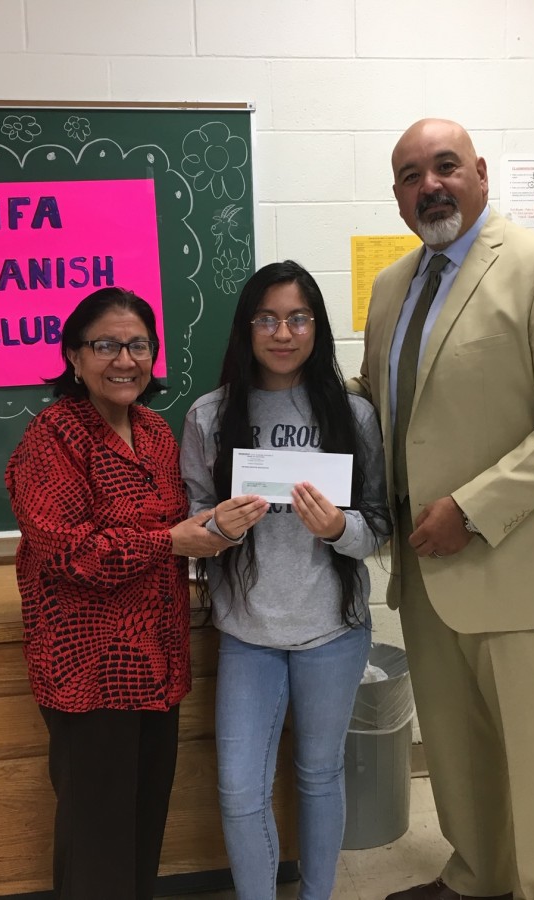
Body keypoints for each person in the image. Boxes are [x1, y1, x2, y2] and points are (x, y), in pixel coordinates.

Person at [351, 119, 534, 900]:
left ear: (480, 174)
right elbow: (382, 404)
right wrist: (286, 398)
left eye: (444, 167)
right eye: (410, 174)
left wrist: (470, 508)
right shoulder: (392, 287)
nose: (428, 184)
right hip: (426, 565)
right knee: (459, 749)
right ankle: (477, 877)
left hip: (517, 564)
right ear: (398, 197)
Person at [5, 287, 230, 900]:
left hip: (156, 661)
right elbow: (68, 552)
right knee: (97, 833)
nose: (124, 359)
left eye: (138, 345)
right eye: (105, 345)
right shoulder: (52, 439)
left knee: (142, 820)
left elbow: (179, 526)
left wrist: (222, 527)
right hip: (88, 671)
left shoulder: (156, 433)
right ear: (74, 358)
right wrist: (170, 544)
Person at [179, 260, 391, 900]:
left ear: (316, 328)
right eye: (267, 318)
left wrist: (336, 530)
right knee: (240, 788)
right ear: (247, 329)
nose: (282, 332)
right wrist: (219, 528)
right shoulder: (209, 416)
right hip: (247, 631)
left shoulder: (352, 416)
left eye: (297, 318)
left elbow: (378, 525)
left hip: (332, 629)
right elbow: (192, 525)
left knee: (319, 775)